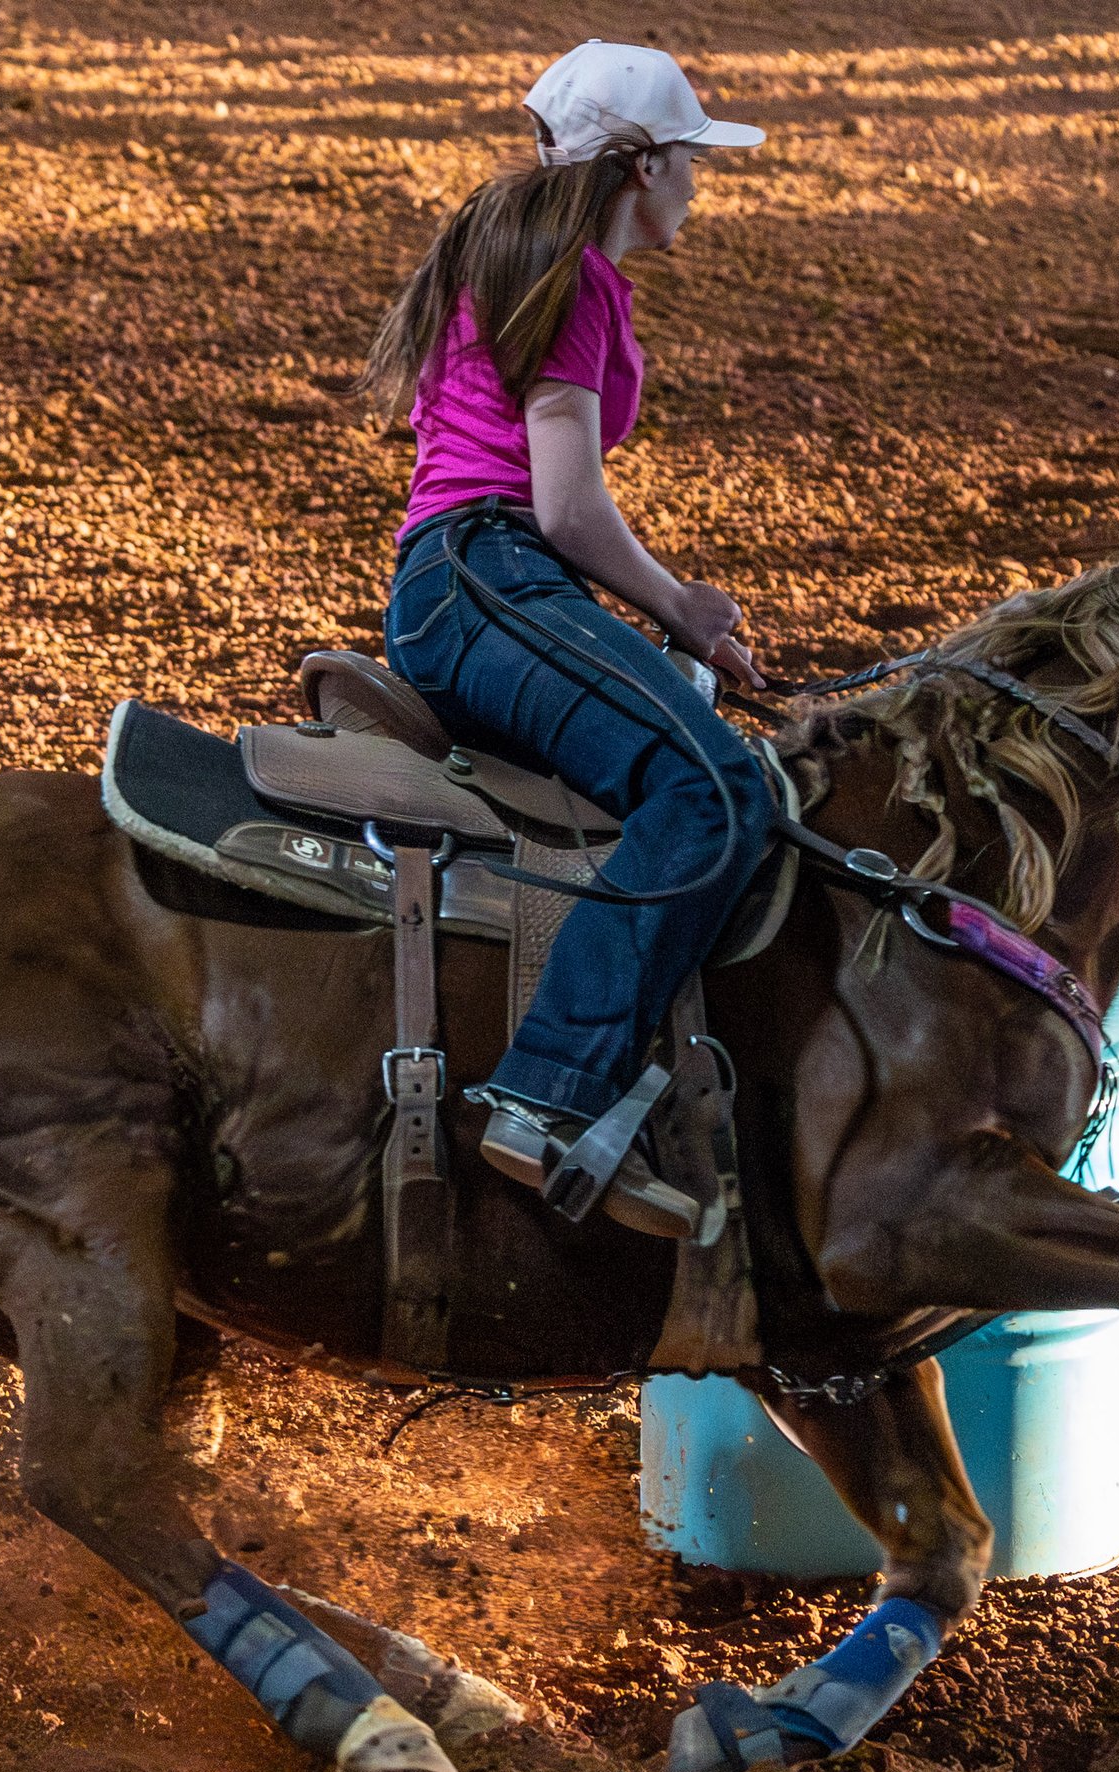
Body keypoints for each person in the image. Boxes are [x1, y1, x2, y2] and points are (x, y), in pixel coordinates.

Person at [355, 41, 775, 1240]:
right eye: (690, 158)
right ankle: (544, 1097)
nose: (698, 180)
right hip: (490, 572)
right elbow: (566, 507)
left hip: (475, 578)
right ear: (638, 165)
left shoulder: (524, 251)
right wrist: (681, 607)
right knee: (716, 793)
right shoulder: (575, 279)